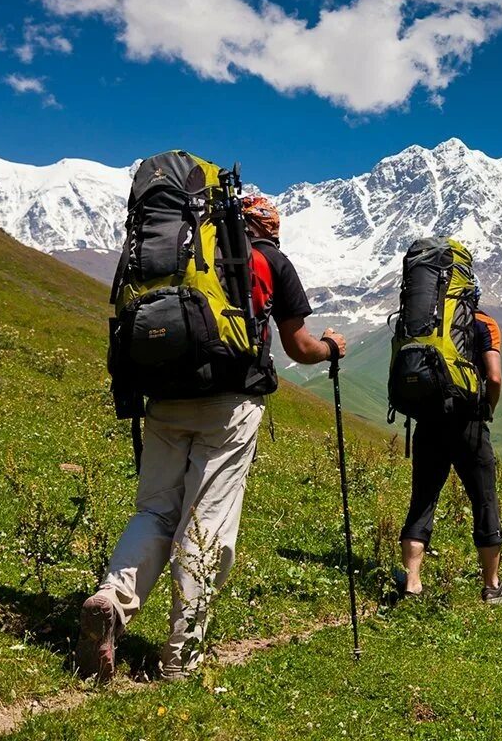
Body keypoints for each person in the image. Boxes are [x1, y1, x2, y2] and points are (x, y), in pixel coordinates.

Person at [77, 195, 347, 682]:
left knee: (155, 510)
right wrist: (330, 347)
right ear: (270, 227)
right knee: (206, 524)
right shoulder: (268, 259)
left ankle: (110, 601)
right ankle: (181, 655)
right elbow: (298, 346)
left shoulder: (179, 256)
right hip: (229, 404)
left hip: (164, 399)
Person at [399, 283, 502, 604]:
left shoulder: (424, 326)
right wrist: (487, 409)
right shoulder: (483, 323)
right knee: (484, 501)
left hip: (427, 422)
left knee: (422, 501)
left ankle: (412, 584)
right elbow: (493, 378)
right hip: (469, 423)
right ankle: (492, 586)